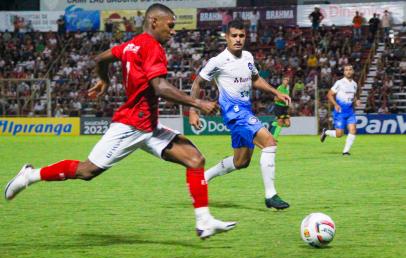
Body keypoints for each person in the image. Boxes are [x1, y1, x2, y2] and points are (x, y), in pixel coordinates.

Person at [4, 4, 236, 240]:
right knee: (87, 171)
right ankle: (30, 176)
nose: (173, 31)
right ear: (154, 21)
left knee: (196, 160)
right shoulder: (152, 47)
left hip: (148, 126)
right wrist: (198, 103)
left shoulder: (132, 44)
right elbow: (160, 87)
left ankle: (204, 221)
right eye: (171, 25)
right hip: (131, 126)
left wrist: (103, 80)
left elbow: (101, 58)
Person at [189, 20, 291, 210]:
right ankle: (271, 195)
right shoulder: (218, 61)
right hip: (233, 112)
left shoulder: (248, 57)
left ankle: (203, 178)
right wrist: (193, 110)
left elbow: (256, 79)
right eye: (234, 36)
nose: (238, 39)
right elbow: (197, 83)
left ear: (246, 37)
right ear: (227, 37)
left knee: (241, 162)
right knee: (269, 142)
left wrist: (276, 92)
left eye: (241, 36)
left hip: (245, 110)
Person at [320, 65, 361, 155]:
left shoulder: (355, 84)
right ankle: (325, 132)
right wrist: (335, 104)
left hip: (350, 112)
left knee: (353, 130)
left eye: (350, 69)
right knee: (339, 134)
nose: (348, 71)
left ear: (353, 71)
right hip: (340, 112)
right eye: (346, 70)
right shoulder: (339, 83)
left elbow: (353, 97)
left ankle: (345, 151)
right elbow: (329, 94)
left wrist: (356, 101)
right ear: (344, 72)